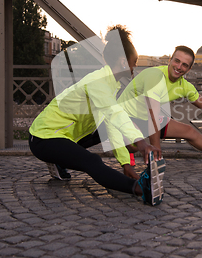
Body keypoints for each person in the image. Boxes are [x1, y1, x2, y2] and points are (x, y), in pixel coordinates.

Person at [28, 25, 164, 205]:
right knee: (91, 161)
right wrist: (141, 143)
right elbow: (115, 114)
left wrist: (126, 164)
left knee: (105, 129)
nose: (135, 66)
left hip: (65, 135)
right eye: (135, 61)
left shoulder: (110, 84)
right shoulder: (98, 82)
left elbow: (111, 125)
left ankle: (59, 161)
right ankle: (139, 188)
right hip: (43, 138)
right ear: (124, 61)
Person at [117, 45, 202, 179]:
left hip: (145, 119)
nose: (179, 67)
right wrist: (157, 159)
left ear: (189, 68)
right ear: (170, 59)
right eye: (177, 61)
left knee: (189, 131)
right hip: (123, 117)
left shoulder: (184, 86)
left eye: (184, 65)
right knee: (134, 144)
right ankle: (130, 153)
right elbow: (153, 116)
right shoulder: (155, 76)